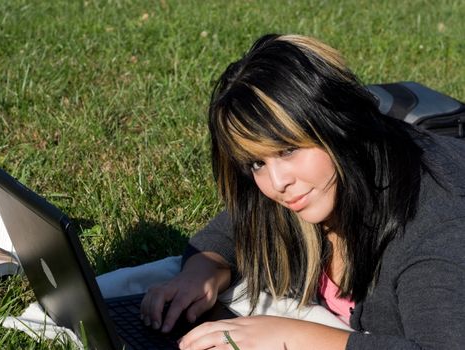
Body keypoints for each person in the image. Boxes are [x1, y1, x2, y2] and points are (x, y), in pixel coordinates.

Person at [138, 34, 465, 349]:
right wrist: (201, 273)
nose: (277, 183)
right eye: (256, 163)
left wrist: (294, 338)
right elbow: (238, 226)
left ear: (336, 128)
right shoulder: (309, 185)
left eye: (287, 150)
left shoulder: (434, 229)